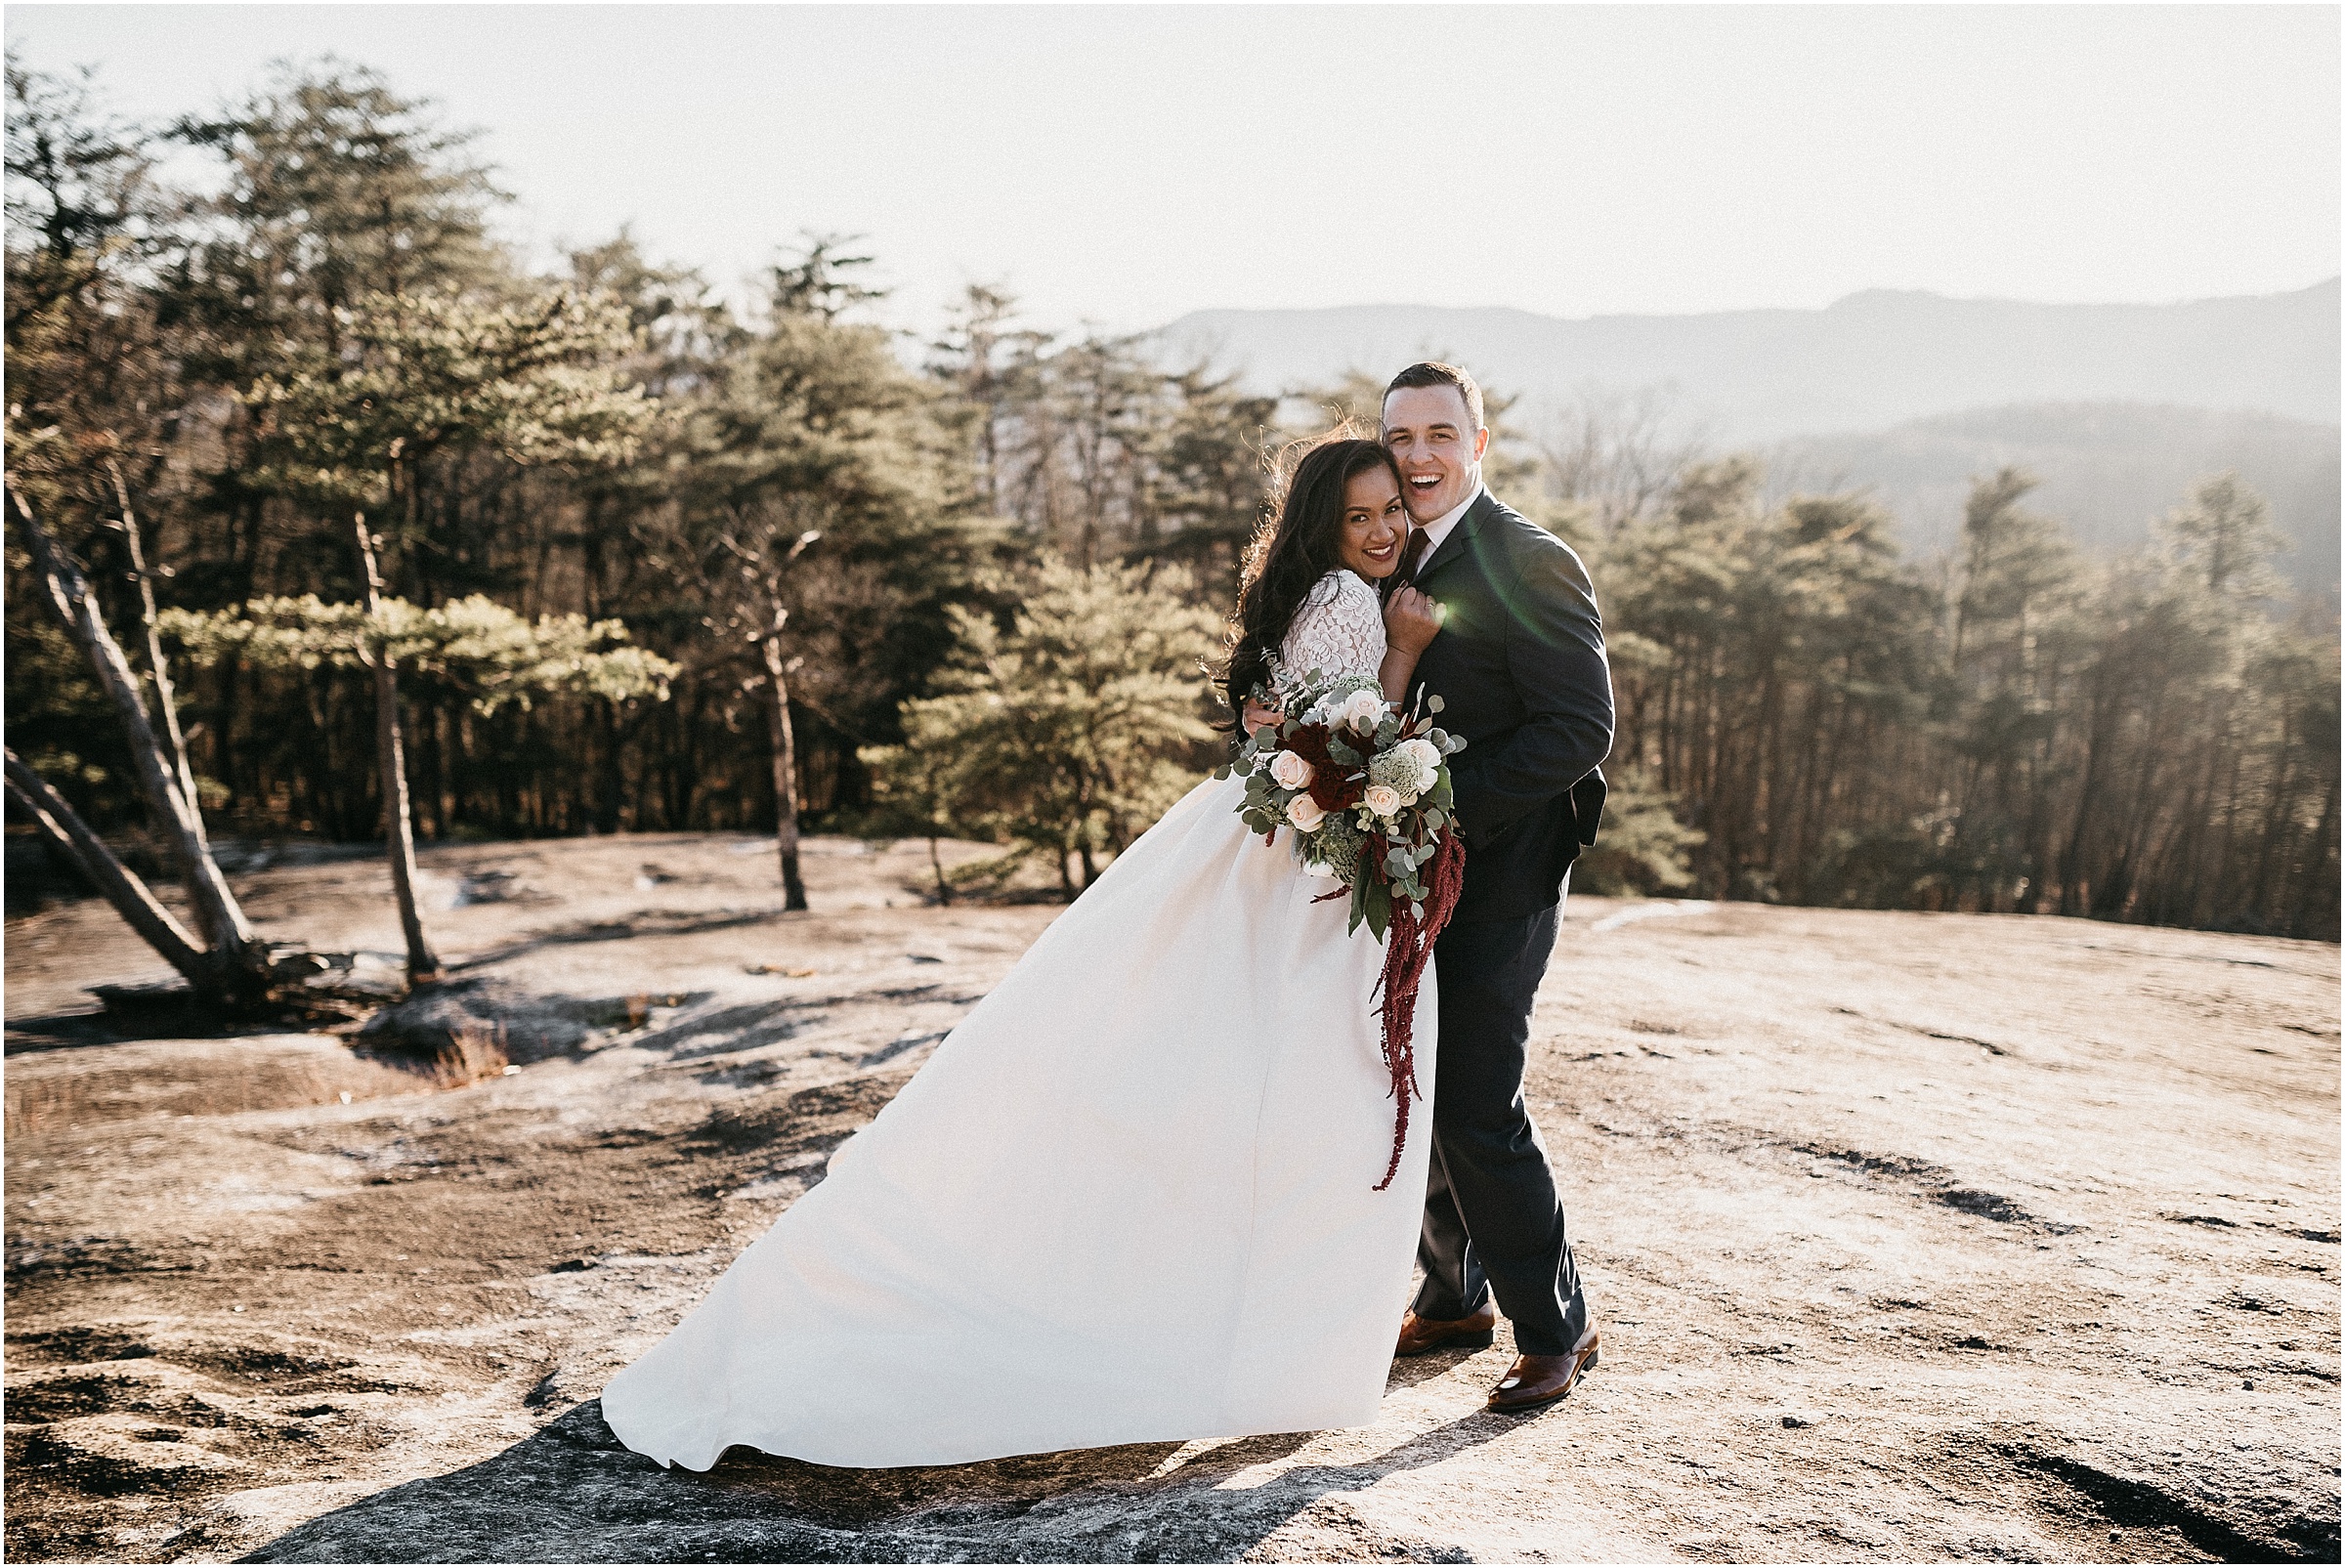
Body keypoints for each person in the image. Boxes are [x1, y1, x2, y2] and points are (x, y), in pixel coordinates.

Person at [600, 437, 1449, 1470]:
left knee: (1195, 1084)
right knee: (1307, 1102)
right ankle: (1267, 1343)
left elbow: (1278, 727)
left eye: (1388, 512)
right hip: (1295, 873)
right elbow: (1353, 745)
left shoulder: (1311, 595)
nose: (1382, 530)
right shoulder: (1359, 605)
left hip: (1254, 841)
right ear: (1326, 524)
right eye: (1359, 516)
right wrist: (1406, 653)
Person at [1377, 360, 1615, 1410]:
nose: (1419, 454)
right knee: (1419, 1082)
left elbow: (1580, 729)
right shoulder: (1384, 558)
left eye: (1440, 433)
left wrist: (1440, 804)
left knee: (1478, 1098)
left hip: (1507, 872)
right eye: (1400, 438)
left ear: (1478, 444)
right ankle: (1454, 1294)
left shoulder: (1530, 559)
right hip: (1404, 878)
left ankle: (1555, 1325)